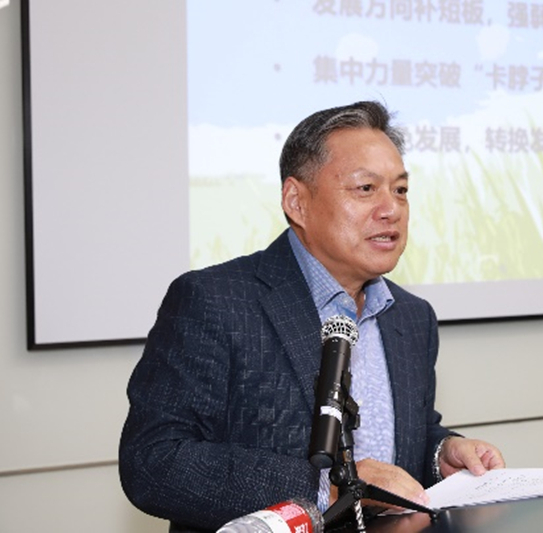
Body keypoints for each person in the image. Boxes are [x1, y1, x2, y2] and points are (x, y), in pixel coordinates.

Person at [119, 101, 505, 532]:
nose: (391, 209)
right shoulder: (215, 301)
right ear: (297, 202)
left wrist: (442, 453)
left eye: (400, 190)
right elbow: (154, 461)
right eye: (366, 188)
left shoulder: (412, 317)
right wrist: (331, 487)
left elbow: (408, 437)